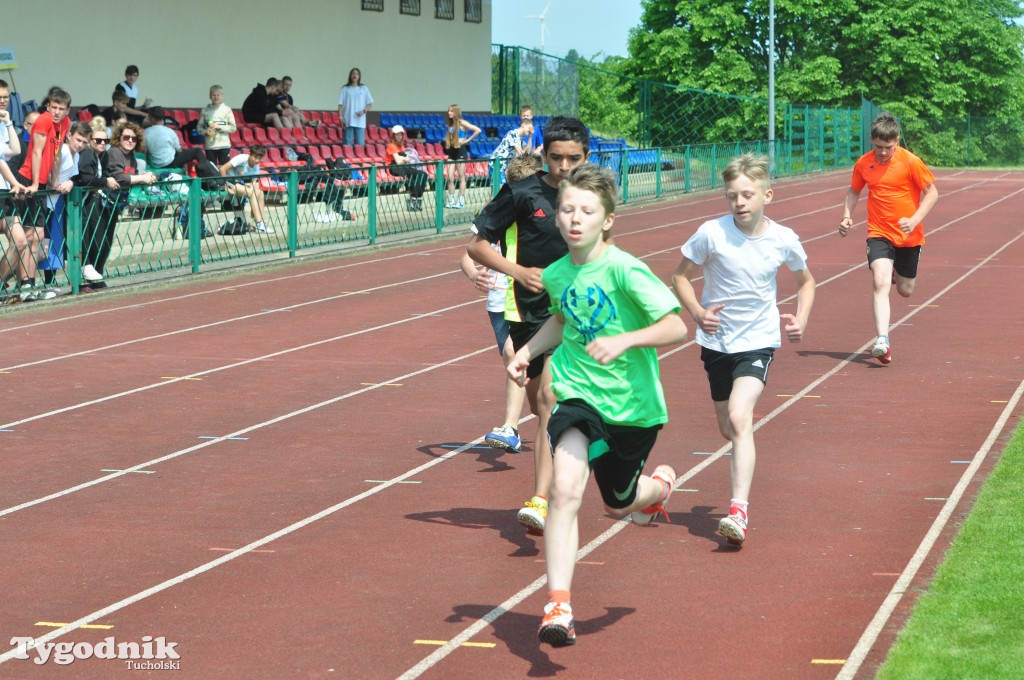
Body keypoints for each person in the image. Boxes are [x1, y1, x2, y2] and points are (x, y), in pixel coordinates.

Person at [506, 164, 688, 647]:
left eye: (587, 211)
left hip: (632, 407)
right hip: (577, 394)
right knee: (565, 490)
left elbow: (676, 327)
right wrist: (527, 352)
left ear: (608, 219)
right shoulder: (557, 272)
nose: (574, 219)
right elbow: (564, 321)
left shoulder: (625, 268)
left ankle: (659, 490)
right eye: (567, 209)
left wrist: (626, 340)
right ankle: (558, 605)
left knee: (620, 500)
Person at [671, 152, 815, 547]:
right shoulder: (710, 233)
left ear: (768, 195)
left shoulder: (783, 239)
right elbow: (679, 277)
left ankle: (738, 509)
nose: (740, 203)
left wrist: (800, 318)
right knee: (728, 428)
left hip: (759, 340)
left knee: (739, 417)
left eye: (748, 195)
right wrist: (698, 312)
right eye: (733, 195)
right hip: (716, 342)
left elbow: (806, 282)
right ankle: (722, 468)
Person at [467, 115, 592, 535]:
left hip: (576, 314)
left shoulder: (593, 197)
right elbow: (477, 245)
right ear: (544, 154)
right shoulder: (522, 192)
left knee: (549, 400)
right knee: (544, 407)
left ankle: (540, 498)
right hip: (529, 313)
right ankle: (558, 484)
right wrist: (517, 271)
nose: (563, 166)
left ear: (586, 157)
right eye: (556, 157)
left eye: (573, 159)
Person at [839, 112, 939, 365]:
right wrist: (847, 216)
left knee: (906, 291)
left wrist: (914, 220)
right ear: (871, 140)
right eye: (878, 147)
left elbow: (932, 193)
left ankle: (897, 272)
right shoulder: (864, 163)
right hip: (878, 232)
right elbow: (853, 191)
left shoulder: (911, 162)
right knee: (879, 281)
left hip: (909, 236)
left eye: (888, 147)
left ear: (897, 141)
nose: (883, 152)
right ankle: (882, 340)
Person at [460, 155, 543, 454]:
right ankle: (519, 426)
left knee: (517, 357)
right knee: (517, 363)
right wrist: (474, 275)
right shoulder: (497, 217)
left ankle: (514, 426)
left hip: (533, 301)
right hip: (500, 305)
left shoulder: (541, 223)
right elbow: (467, 255)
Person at [12, 88, 73, 299]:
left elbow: (55, 154)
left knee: (37, 237)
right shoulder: (43, 121)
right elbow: (36, 152)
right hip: (29, 178)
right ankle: (24, 286)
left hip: (44, 181)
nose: (56, 112)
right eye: (53, 107)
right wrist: (37, 182)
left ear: (67, 111)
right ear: (48, 106)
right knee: (30, 236)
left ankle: (30, 285)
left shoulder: (64, 124)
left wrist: (54, 179)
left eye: (61, 109)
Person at [98, 122, 158, 278]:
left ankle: (98, 275)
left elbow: (133, 176)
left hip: (116, 204)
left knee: (107, 242)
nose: (130, 140)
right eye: (126, 137)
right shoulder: (115, 152)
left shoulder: (131, 156)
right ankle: (90, 278)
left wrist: (146, 176)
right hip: (102, 204)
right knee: (98, 243)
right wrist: (142, 178)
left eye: (134, 138)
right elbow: (120, 178)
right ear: (119, 137)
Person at [73, 123, 120, 286]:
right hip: (83, 200)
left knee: (100, 240)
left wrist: (106, 180)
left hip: (96, 200)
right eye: (98, 140)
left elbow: (106, 173)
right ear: (90, 140)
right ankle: (86, 277)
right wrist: (105, 181)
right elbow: (87, 180)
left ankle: (95, 274)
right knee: (87, 238)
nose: (102, 143)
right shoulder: (86, 154)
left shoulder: (104, 155)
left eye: (105, 141)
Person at [143, 107, 217, 177]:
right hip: (170, 162)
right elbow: (179, 149)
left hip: (156, 164)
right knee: (196, 151)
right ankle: (206, 175)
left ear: (151, 118)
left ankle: (185, 174)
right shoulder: (169, 131)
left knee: (182, 155)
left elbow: (144, 150)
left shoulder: (145, 132)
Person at [219, 144, 272, 233]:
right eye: (255, 157)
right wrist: (225, 185)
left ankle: (260, 222)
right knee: (251, 193)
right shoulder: (241, 159)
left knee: (260, 193)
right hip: (229, 181)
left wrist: (253, 206)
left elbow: (253, 183)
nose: (257, 160)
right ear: (249, 154)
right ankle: (259, 224)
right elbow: (222, 169)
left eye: (259, 158)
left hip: (239, 183)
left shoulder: (256, 166)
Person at [443, 104, 481, 210]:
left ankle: (461, 200)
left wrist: (467, 140)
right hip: (452, 151)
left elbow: (477, 130)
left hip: (460, 151)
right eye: (448, 111)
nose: (449, 113)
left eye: (451, 111)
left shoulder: (462, 123)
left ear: (456, 112)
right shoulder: (450, 125)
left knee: (461, 176)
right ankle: (451, 200)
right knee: (450, 176)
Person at [385, 125, 428, 212]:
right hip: (394, 168)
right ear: (393, 135)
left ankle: (418, 197)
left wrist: (403, 159)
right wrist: (403, 159)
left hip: (403, 167)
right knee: (416, 175)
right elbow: (398, 161)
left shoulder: (401, 146)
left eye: (400, 135)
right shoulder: (391, 145)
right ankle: (413, 199)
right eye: (397, 135)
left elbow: (407, 159)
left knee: (423, 175)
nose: (399, 136)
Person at [197, 85, 237, 166]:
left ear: (222, 96)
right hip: (210, 146)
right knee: (211, 168)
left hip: (224, 145)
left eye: (218, 95)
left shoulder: (227, 110)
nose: (216, 97)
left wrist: (220, 127)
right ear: (210, 96)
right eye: (213, 95)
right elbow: (199, 128)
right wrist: (206, 132)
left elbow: (233, 128)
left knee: (224, 168)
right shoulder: (205, 111)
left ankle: (224, 179)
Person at [337, 68, 373, 147]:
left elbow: (370, 104)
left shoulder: (364, 88)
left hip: (360, 121)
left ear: (359, 76)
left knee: (360, 145)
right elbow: (340, 104)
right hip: (347, 120)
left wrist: (363, 111)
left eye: (357, 74)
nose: (355, 75)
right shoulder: (345, 89)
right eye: (353, 73)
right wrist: (340, 117)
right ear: (350, 75)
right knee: (347, 145)